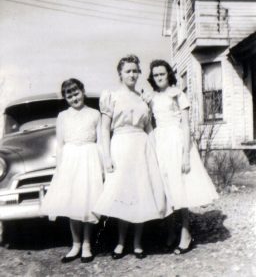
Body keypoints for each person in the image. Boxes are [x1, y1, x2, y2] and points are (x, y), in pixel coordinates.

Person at [94, 55, 170, 259]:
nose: (132, 74)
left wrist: (155, 152)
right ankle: (120, 243)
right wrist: (107, 157)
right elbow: (104, 129)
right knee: (123, 195)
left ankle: (137, 243)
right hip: (120, 146)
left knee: (141, 194)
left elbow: (149, 128)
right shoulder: (111, 96)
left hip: (142, 148)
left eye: (135, 71)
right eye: (128, 71)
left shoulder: (143, 97)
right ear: (120, 73)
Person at [147, 60, 218, 254]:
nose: (159, 77)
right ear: (152, 78)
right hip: (160, 142)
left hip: (176, 142)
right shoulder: (152, 98)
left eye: (162, 74)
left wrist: (186, 154)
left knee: (181, 187)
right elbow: (150, 123)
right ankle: (171, 232)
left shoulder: (178, 94)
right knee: (166, 187)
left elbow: (186, 125)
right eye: (156, 75)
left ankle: (185, 233)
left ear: (169, 74)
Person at [41, 78, 103, 263]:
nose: (74, 97)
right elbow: (60, 144)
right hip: (70, 160)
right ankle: (75, 244)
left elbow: (100, 142)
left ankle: (86, 245)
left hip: (89, 158)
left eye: (76, 93)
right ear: (65, 98)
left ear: (83, 91)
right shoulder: (62, 116)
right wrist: (60, 168)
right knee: (73, 203)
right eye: (69, 95)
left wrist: (101, 166)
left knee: (87, 202)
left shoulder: (95, 114)